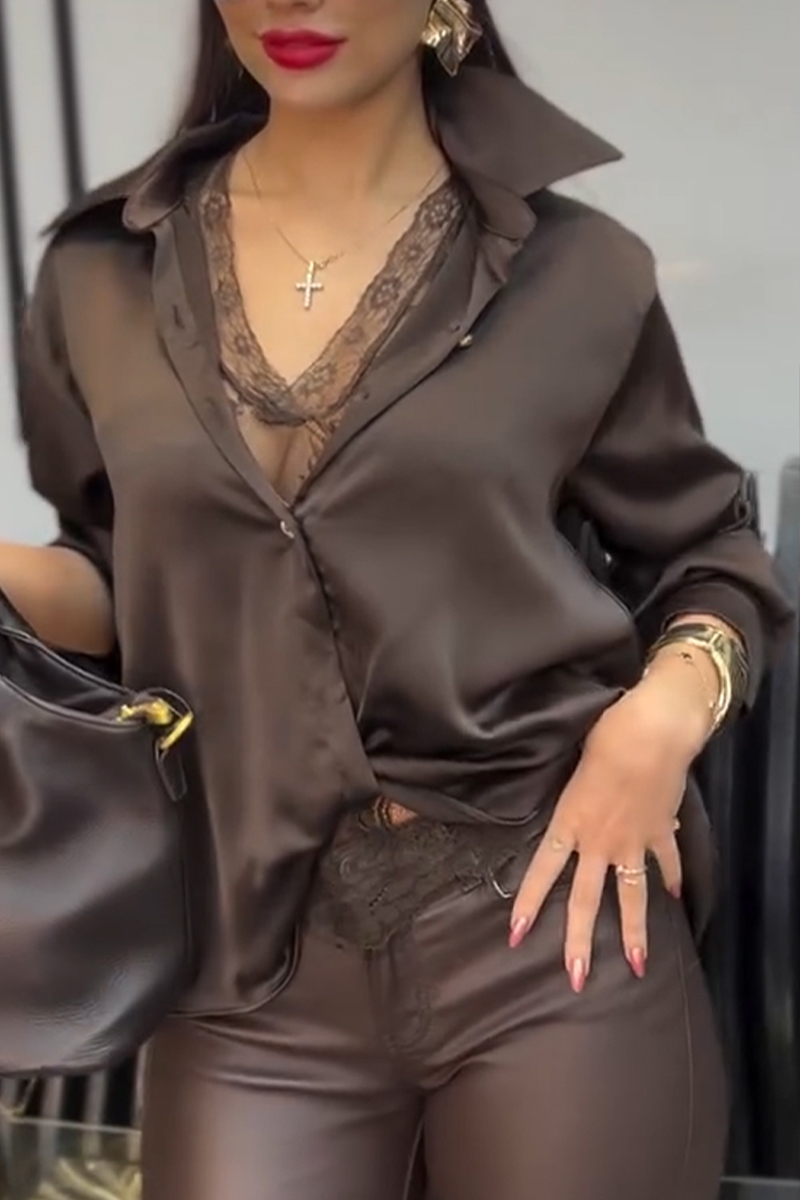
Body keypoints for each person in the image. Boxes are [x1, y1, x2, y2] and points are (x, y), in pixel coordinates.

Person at [1, 1, 793, 1197]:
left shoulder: (579, 272)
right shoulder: (97, 273)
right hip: (246, 961)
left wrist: (656, 724)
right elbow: (118, 581)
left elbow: (709, 551)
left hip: (546, 921)